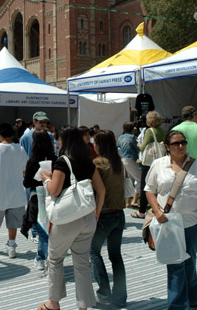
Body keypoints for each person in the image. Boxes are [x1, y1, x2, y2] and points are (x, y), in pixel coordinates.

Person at [39, 126, 105, 310]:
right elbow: (101, 190)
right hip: (87, 217)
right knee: (82, 262)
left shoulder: (63, 161)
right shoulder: (88, 161)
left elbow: (54, 190)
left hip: (67, 219)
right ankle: (83, 305)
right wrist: (96, 213)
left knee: (55, 258)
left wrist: (46, 179)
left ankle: (53, 303)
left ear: (64, 141)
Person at [145, 130, 197, 310]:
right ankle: (178, 305)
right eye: (176, 143)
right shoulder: (159, 165)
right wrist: (157, 211)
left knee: (189, 262)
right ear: (167, 147)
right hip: (167, 222)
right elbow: (149, 189)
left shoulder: (195, 166)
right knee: (176, 264)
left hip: (191, 222)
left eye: (183, 142)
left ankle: (193, 296)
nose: (181, 146)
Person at [91, 130, 127, 308]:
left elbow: (94, 189)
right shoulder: (118, 161)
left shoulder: (98, 163)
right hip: (119, 213)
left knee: (93, 251)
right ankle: (120, 297)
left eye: (95, 143)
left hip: (104, 215)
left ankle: (103, 294)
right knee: (116, 256)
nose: (93, 146)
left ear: (100, 145)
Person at [0, 123, 27, 259]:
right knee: (13, 221)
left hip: (0, 191)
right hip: (17, 191)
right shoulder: (20, 149)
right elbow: (25, 171)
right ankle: (11, 246)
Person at [22, 130, 57, 270]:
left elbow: (26, 183)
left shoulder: (33, 160)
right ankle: (40, 257)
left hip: (37, 198)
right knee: (48, 230)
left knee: (42, 232)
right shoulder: (55, 159)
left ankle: (48, 261)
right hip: (53, 197)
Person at [132, 110, 165, 219]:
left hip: (149, 163)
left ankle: (142, 211)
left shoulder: (150, 131)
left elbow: (143, 147)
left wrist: (139, 144)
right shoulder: (162, 131)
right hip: (161, 160)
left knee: (145, 186)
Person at [117, 121, 141, 207]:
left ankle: (127, 202)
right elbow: (138, 148)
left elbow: (118, 147)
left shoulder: (120, 137)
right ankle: (134, 200)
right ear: (132, 129)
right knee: (140, 179)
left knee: (129, 180)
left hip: (122, 159)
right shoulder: (132, 137)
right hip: (130, 159)